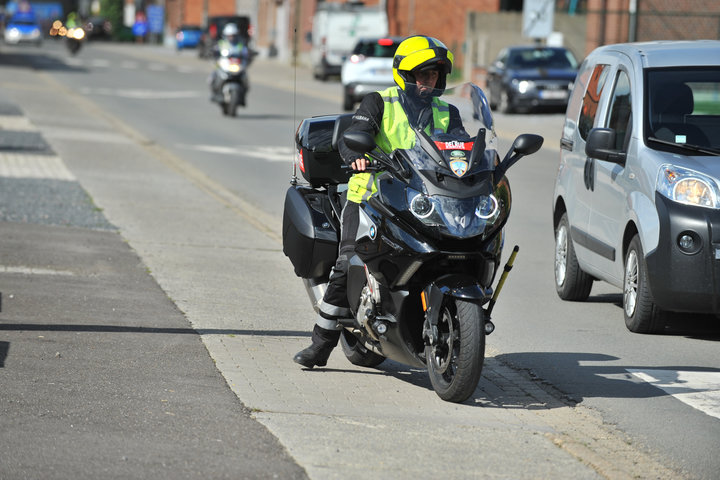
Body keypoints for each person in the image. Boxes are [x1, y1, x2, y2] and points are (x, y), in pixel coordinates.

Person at [293, 35, 468, 368]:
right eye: (422, 74)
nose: (427, 81)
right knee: (348, 262)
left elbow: (461, 149)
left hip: (422, 200)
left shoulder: (448, 112)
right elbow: (352, 138)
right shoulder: (380, 102)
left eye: (433, 75)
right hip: (371, 195)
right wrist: (355, 156)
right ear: (405, 75)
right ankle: (321, 342)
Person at [209, 23, 250, 104]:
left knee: (245, 78)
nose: (231, 37)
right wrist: (213, 53)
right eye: (229, 35)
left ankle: (242, 96)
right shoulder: (221, 43)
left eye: (233, 35)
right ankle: (216, 93)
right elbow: (215, 50)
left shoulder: (240, 44)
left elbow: (246, 53)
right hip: (224, 65)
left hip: (237, 65)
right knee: (213, 76)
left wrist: (249, 55)